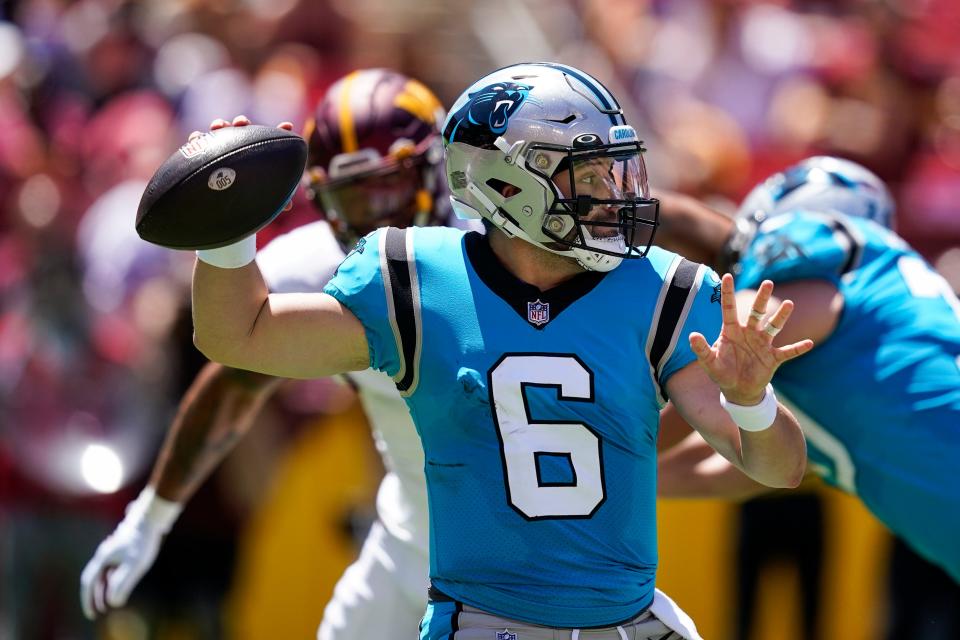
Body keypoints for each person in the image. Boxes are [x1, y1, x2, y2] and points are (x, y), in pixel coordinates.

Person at [188, 62, 810, 639]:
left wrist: (753, 402)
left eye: (613, 171)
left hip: (627, 620)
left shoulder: (660, 290)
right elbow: (237, 334)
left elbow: (779, 468)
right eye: (586, 175)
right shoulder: (418, 280)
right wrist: (227, 230)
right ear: (507, 184)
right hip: (483, 623)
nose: (611, 195)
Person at [80, 68, 459, 639]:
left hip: (523, 557)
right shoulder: (319, 265)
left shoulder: (503, 247)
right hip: (409, 541)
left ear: (437, 169)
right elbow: (235, 376)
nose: (378, 215)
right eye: (353, 195)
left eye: (390, 186)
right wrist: (149, 518)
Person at [654, 156, 960, 584]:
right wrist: (624, 476)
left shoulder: (811, 252)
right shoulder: (868, 336)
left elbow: (720, 358)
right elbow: (743, 467)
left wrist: (611, 444)